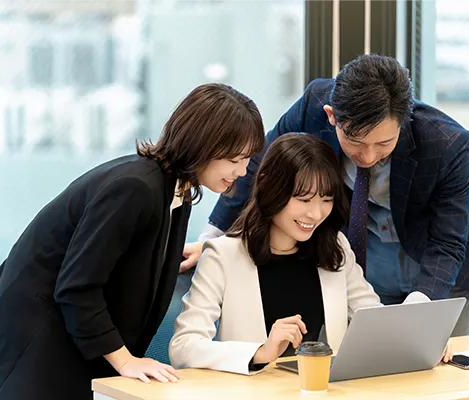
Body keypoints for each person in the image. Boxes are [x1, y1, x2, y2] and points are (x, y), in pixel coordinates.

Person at [0, 83, 265, 400]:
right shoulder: (135, 188)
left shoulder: (175, 191)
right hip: (33, 346)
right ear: (204, 144)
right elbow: (77, 287)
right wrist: (125, 361)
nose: (242, 171)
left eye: (248, 159)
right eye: (236, 159)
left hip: (60, 349)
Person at [181, 54, 469, 337]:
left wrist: (420, 310)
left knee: (436, 366)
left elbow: (448, 243)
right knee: (368, 356)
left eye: (384, 144)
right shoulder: (314, 104)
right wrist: (212, 238)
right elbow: (259, 168)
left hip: (440, 266)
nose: (368, 157)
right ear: (332, 116)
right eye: (356, 142)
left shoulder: (447, 143)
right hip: (372, 261)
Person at [169, 133, 452, 375]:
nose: (315, 214)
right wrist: (260, 351)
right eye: (303, 199)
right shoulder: (223, 255)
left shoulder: (335, 248)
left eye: (326, 200)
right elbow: (183, 347)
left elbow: (375, 321)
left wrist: (422, 340)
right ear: (268, 185)